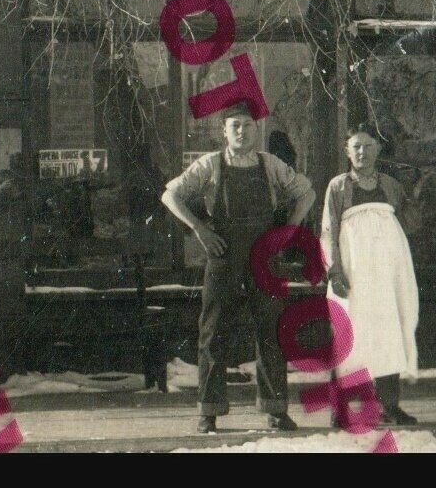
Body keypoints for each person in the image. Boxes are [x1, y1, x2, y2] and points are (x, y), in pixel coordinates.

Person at [161, 103, 316, 434]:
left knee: (272, 328)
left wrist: (288, 230)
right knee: (214, 329)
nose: (242, 131)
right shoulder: (210, 165)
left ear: (256, 130)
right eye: (235, 126)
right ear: (224, 131)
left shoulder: (270, 164)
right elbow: (170, 195)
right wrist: (200, 230)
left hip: (264, 253)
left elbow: (307, 193)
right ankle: (209, 411)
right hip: (224, 252)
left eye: (247, 125)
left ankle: (276, 410)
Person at [322, 123, 419, 426]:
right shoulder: (338, 187)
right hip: (353, 269)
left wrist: (416, 194)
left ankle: (389, 404)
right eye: (356, 147)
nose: (362, 152)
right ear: (347, 151)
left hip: (387, 271)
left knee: (387, 332)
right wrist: (334, 269)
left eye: (368, 146)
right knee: (349, 332)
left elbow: (411, 224)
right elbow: (328, 229)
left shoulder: (391, 185)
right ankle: (341, 407)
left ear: (377, 149)